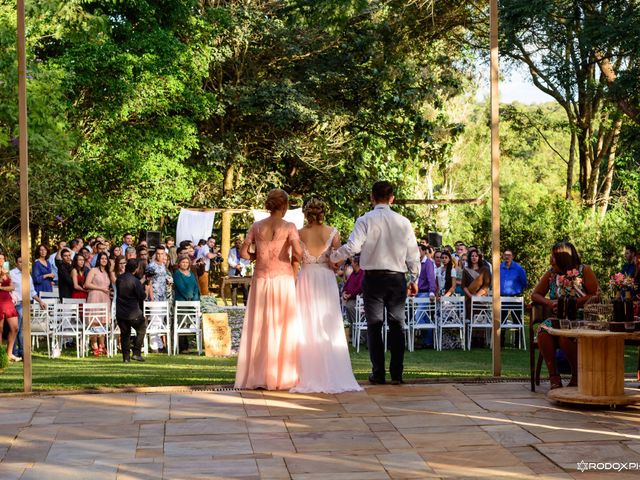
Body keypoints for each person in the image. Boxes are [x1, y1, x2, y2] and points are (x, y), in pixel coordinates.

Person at [331, 181, 420, 385]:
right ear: (392, 198)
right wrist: (414, 278)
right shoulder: (403, 222)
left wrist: (334, 257)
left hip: (372, 278)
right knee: (397, 325)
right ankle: (397, 374)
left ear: (372, 197)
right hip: (397, 278)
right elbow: (413, 254)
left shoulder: (365, 220)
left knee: (374, 325)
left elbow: (353, 246)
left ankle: (378, 373)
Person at [291, 198, 362, 393]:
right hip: (326, 280)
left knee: (306, 324)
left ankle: (307, 373)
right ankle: (331, 372)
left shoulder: (298, 233)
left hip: (306, 278)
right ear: (323, 212)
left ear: (306, 213)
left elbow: (295, 260)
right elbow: (335, 262)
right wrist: (332, 262)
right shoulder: (333, 232)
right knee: (328, 325)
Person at [234, 189, 302, 390]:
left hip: (262, 279)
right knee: (283, 325)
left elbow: (244, 253)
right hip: (283, 279)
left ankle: (258, 375)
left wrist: (257, 257)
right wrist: (294, 260)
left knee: (260, 326)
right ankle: (281, 375)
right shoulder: (289, 226)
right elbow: (298, 251)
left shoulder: (256, 226)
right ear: (285, 206)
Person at [531, 241, 599, 389]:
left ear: (563, 257)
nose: (550, 260)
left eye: (553, 256)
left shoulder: (584, 271)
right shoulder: (551, 274)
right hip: (559, 317)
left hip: (581, 318)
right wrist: (550, 303)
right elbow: (535, 295)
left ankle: (576, 375)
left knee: (564, 335)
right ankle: (554, 377)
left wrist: (574, 303)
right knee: (543, 330)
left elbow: (595, 295)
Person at [9, 257, 46, 359]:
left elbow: (32, 291)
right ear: (16, 263)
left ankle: (22, 352)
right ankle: (14, 352)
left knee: (23, 329)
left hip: (26, 304)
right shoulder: (11, 274)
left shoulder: (28, 275)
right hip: (16, 304)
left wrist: (40, 301)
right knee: (16, 328)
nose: (22, 264)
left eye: (24, 262)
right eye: (20, 262)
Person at [115, 259, 147, 363]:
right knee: (142, 328)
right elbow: (142, 296)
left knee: (125, 334)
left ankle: (126, 358)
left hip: (120, 312)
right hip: (133, 312)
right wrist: (145, 287)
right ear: (136, 268)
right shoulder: (135, 281)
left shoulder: (119, 279)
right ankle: (136, 353)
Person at [84, 252, 111, 356]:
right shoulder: (93, 270)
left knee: (103, 322)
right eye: (102, 258)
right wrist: (101, 288)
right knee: (94, 322)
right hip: (95, 296)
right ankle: (94, 346)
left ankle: (102, 345)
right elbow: (86, 284)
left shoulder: (107, 272)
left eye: (106, 259)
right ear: (98, 260)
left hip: (105, 298)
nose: (104, 260)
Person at [499, 249, 527, 347]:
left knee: (517, 319)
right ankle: (500, 342)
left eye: (509, 255)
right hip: (502, 298)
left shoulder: (518, 268)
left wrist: (516, 289)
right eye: (505, 255)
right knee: (501, 319)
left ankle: (518, 342)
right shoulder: (499, 268)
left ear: (512, 256)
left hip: (515, 298)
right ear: (503, 256)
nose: (507, 257)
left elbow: (524, 282)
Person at [0, 253, 21, 362]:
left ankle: (9, 353)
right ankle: (0, 356)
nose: (2, 261)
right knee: (0, 328)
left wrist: (3, 288)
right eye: (0, 259)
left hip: (7, 300)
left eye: (3, 259)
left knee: (15, 327)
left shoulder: (6, 272)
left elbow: (12, 287)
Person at [342, 255, 364, 330]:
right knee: (347, 307)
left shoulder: (362, 273)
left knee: (350, 306)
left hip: (358, 298)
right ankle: (353, 331)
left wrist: (350, 295)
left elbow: (360, 288)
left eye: (352, 262)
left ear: (356, 263)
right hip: (351, 298)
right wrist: (344, 293)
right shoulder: (353, 273)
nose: (351, 264)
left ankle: (360, 333)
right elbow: (346, 284)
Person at [227, 237, 251, 305]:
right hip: (234, 270)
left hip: (242, 270)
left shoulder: (245, 250)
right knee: (234, 287)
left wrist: (241, 266)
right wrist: (235, 266)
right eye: (236, 243)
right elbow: (229, 260)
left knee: (245, 287)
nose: (238, 244)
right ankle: (234, 304)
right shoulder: (231, 251)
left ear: (242, 243)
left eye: (239, 243)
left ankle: (246, 304)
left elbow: (248, 260)